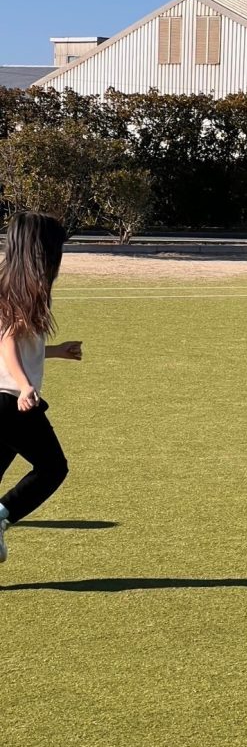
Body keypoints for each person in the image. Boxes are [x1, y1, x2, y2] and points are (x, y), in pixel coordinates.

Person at [0, 212, 83, 562]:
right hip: (9, 399)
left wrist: (55, 351)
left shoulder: (11, 287)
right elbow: (5, 344)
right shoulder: (18, 292)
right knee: (52, 468)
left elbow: (18, 344)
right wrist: (24, 387)